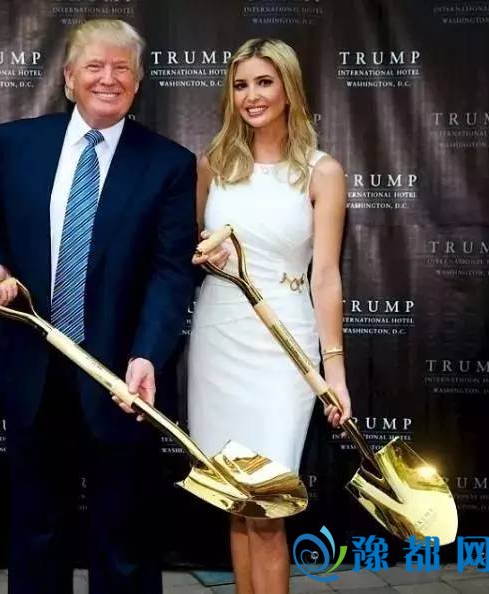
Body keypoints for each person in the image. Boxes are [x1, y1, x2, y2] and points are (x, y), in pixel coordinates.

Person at [0, 18, 196, 594]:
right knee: (36, 531)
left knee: (124, 539)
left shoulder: (169, 163)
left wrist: (147, 356)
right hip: (34, 369)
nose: (108, 78)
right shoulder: (18, 143)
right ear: (68, 78)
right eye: (94, 66)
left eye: (122, 68)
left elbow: (171, 274)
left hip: (121, 378)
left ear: (138, 82)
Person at [187, 38, 352, 594]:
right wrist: (204, 252)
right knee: (236, 499)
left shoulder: (321, 172)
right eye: (240, 85)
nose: (251, 96)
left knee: (270, 504)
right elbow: (192, 242)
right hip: (220, 334)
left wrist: (334, 371)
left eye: (264, 82)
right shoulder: (213, 164)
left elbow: (325, 276)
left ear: (289, 89)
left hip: (286, 342)